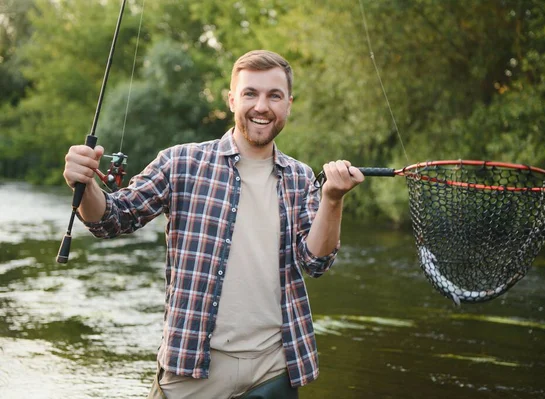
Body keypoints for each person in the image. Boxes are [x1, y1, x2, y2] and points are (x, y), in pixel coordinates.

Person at [63, 49, 364, 398]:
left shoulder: (300, 177)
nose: (262, 106)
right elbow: (112, 219)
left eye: (274, 95)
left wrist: (332, 199)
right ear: (232, 99)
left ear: (289, 104)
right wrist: (85, 185)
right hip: (192, 368)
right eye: (250, 93)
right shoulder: (181, 162)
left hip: (274, 369)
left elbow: (315, 261)